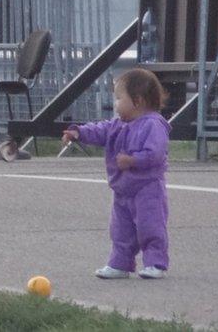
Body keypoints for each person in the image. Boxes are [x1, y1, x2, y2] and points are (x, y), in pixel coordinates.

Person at [61, 68, 171, 279]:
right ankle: (120, 263)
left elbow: (156, 154)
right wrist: (79, 132)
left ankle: (155, 262)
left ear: (137, 101)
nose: (116, 104)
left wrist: (133, 160)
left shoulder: (153, 124)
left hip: (147, 188)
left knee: (150, 226)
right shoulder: (118, 124)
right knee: (120, 229)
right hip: (122, 188)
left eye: (119, 98)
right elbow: (99, 130)